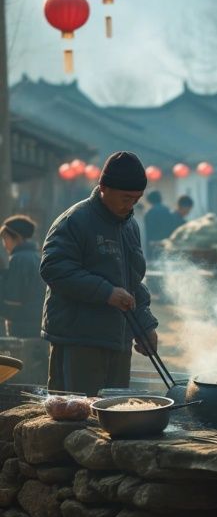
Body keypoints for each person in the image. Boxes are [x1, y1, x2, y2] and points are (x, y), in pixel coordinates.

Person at [40, 151, 159, 397]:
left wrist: (144, 325)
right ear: (103, 187)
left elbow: (133, 281)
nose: (130, 206)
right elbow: (53, 268)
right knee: (77, 418)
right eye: (126, 198)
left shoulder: (129, 225)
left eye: (136, 200)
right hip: (79, 339)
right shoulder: (75, 220)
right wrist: (106, 292)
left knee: (112, 415)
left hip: (118, 340)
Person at [0, 215, 45, 337]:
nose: (4, 244)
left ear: (17, 238)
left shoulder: (18, 259)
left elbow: (13, 299)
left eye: (5, 238)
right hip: (37, 324)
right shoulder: (37, 257)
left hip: (22, 327)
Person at [144, 191, 174, 258]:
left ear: (149, 200)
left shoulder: (150, 213)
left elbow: (148, 230)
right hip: (167, 242)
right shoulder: (168, 210)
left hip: (155, 243)